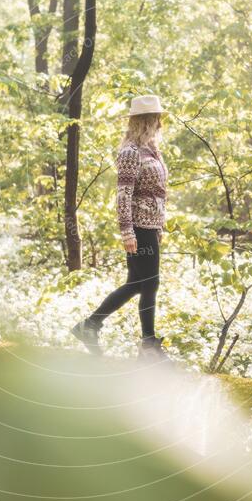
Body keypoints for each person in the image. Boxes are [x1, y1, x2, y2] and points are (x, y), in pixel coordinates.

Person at [71, 94, 170, 361]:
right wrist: (127, 231)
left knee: (138, 283)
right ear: (146, 121)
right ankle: (148, 344)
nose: (160, 123)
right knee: (149, 283)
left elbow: (159, 192)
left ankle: (89, 326)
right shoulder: (130, 152)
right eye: (156, 119)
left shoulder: (151, 150)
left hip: (150, 226)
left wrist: (160, 226)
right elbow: (124, 194)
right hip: (138, 227)